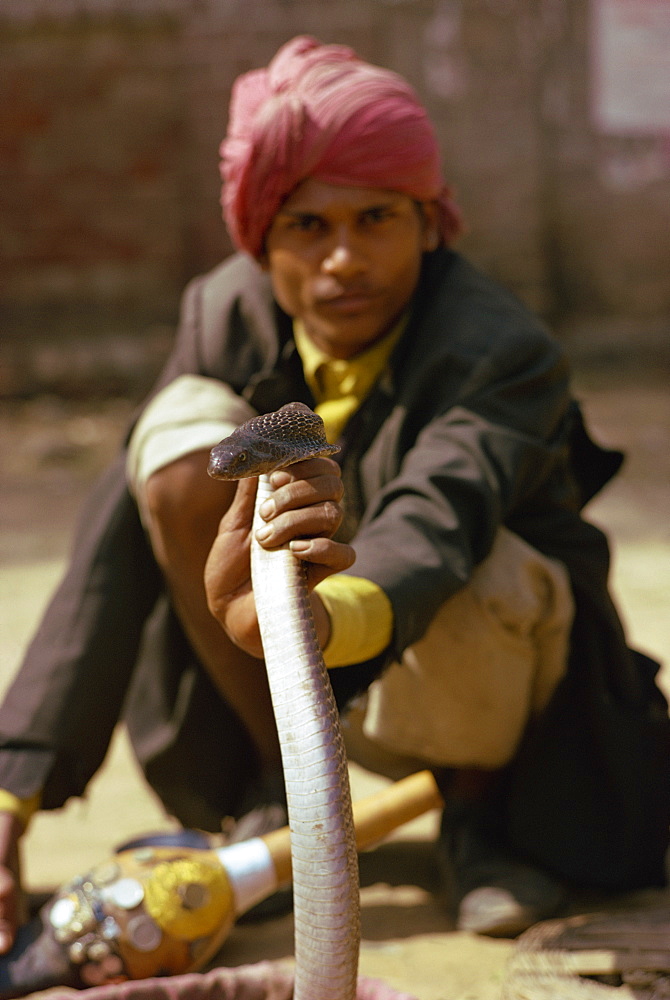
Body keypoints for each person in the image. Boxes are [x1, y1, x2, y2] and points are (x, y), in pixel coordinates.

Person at [0, 35, 668, 956]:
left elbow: (439, 521)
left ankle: (480, 813)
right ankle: (284, 789)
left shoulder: (498, 348)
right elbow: (120, 530)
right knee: (173, 435)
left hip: (466, 664)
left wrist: (305, 628)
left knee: (500, 569)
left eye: (378, 219)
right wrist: (11, 788)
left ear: (430, 221)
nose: (344, 260)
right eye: (308, 228)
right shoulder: (223, 313)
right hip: (303, 684)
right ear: (261, 238)